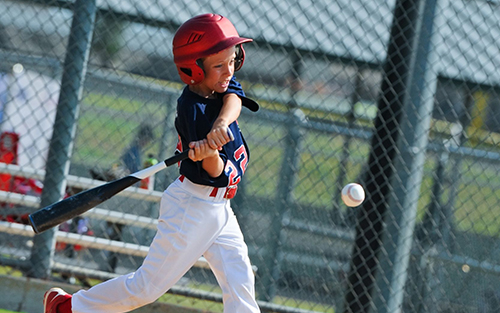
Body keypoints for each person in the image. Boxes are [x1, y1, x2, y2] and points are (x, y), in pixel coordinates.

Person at [42, 13, 260, 313]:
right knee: (146, 287)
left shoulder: (221, 90)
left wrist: (220, 124)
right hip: (193, 208)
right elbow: (216, 173)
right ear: (194, 69)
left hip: (220, 208)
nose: (229, 71)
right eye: (219, 65)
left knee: (240, 280)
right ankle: (68, 307)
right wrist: (209, 154)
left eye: (233, 60)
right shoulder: (192, 108)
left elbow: (234, 96)